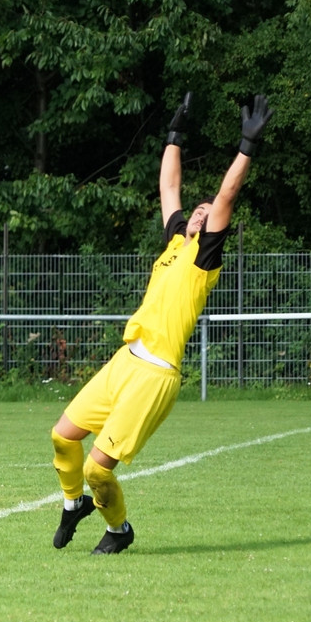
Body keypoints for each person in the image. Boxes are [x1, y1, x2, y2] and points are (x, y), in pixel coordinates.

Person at [49, 93, 274, 554]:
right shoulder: (176, 242)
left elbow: (227, 193)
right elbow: (169, 187)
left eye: (207, 212)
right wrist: (174, 135)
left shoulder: (203, 258)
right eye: (198, 207)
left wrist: (246, 146)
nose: (200, 209)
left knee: (98, 470)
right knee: (62, 436)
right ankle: (73, 506)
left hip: (154, 374)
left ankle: (118, 531)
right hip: (125, 359)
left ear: (214, 227)